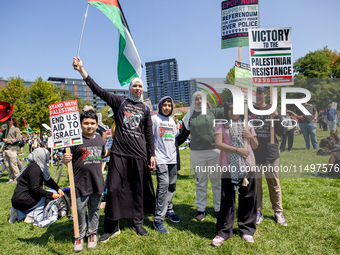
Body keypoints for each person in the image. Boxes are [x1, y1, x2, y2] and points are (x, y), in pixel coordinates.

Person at [73, 57, 155, 241]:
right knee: (115, 189)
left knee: (137, 189)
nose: (138, 89)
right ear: (130, 88)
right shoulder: (120, 103)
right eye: (135, 86)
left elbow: (148, 134)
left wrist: (151, 155)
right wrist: (82, 71)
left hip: (139, 156)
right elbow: (99, 90)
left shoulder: (145, 109)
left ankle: (138, 222)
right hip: (119, 155)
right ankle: (111, 226)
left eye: (140, 86)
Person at [212, 99, 258, 246]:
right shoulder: (222, 124)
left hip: (247, 165)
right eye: (230, 109)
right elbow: (218, 144)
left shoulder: (247, 125)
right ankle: (224, 231)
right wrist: (238, 150)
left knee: (248, 197)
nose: (233, 112)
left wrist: (250, 137)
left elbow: (255, 146)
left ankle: (247, 229)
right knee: (227, 198)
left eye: (236, 108)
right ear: (227, 111)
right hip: (228, 166)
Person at [63, 109, 110, 252]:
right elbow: (67, 158)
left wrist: (116, 149)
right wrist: (65, 159)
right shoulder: (74, 140)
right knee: (80, 210)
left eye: (92, 123)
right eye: (86, 123)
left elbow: (102, 154)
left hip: (96, 181)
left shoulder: (98, 139)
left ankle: (92, 233)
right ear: (80, 124)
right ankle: (79, 235)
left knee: (95, 208)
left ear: (97, 125)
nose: (89, 126)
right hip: (79, 183)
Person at [177, 91, 223, 221]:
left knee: (216, 181)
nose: (199, 101)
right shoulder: (189, 116)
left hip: (215, 152)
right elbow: (182, 136)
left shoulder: (213, 112)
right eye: (196, 99)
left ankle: (218, 208)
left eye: (201, 98)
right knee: (200, 182)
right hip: (197, 154)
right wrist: (169, 143)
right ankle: (201, 209)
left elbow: (231, 109)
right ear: (193, 101)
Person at [251, 87, 287, 226]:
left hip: (270, 152)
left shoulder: (273, 109)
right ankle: (258, 210)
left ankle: (278, 211)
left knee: (274, 183)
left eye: (260, 93)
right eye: (255, 93)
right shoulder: (249, 110)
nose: (257, 96)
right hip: (255, 153)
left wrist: (277, 115)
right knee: (257, 185)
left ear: (265, 94)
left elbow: (281, 132)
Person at [9, 148, 64, 224]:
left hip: (18, 199)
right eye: (46, 157)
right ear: (42, 157)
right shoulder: (35, 169)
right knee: (48, 196)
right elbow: (35, 189)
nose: (48, 159)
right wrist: (52, 195)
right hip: (23, 199)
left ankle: (18, 213)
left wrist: (57, 188)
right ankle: (31, 216)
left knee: (52, 191)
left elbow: (48, 180)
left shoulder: (32, 166)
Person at [152, 96, 182, 234]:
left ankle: (169, 211)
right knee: (163, 186)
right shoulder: (154, 119)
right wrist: (151, 157)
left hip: (172, 159)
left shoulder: (172, 121)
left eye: (169, 105)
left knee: (172, 186)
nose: (167, 107)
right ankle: (158, 219)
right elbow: (150, 139)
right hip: (160, 158)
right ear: (160, 106)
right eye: (164, 105)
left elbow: (174, 141)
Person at [0, 116, 21, 183]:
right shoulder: (5, 130)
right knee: (7, 165)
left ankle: (16, 178)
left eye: (10, 120)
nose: (9, 121)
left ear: (13, 121)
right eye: (8, 120)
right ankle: (11, 178)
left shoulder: (16, 129)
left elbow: (18, 139)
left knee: (13, 164)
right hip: (5, 149)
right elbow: (2, 139)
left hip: (12, 149)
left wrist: (8, 140)